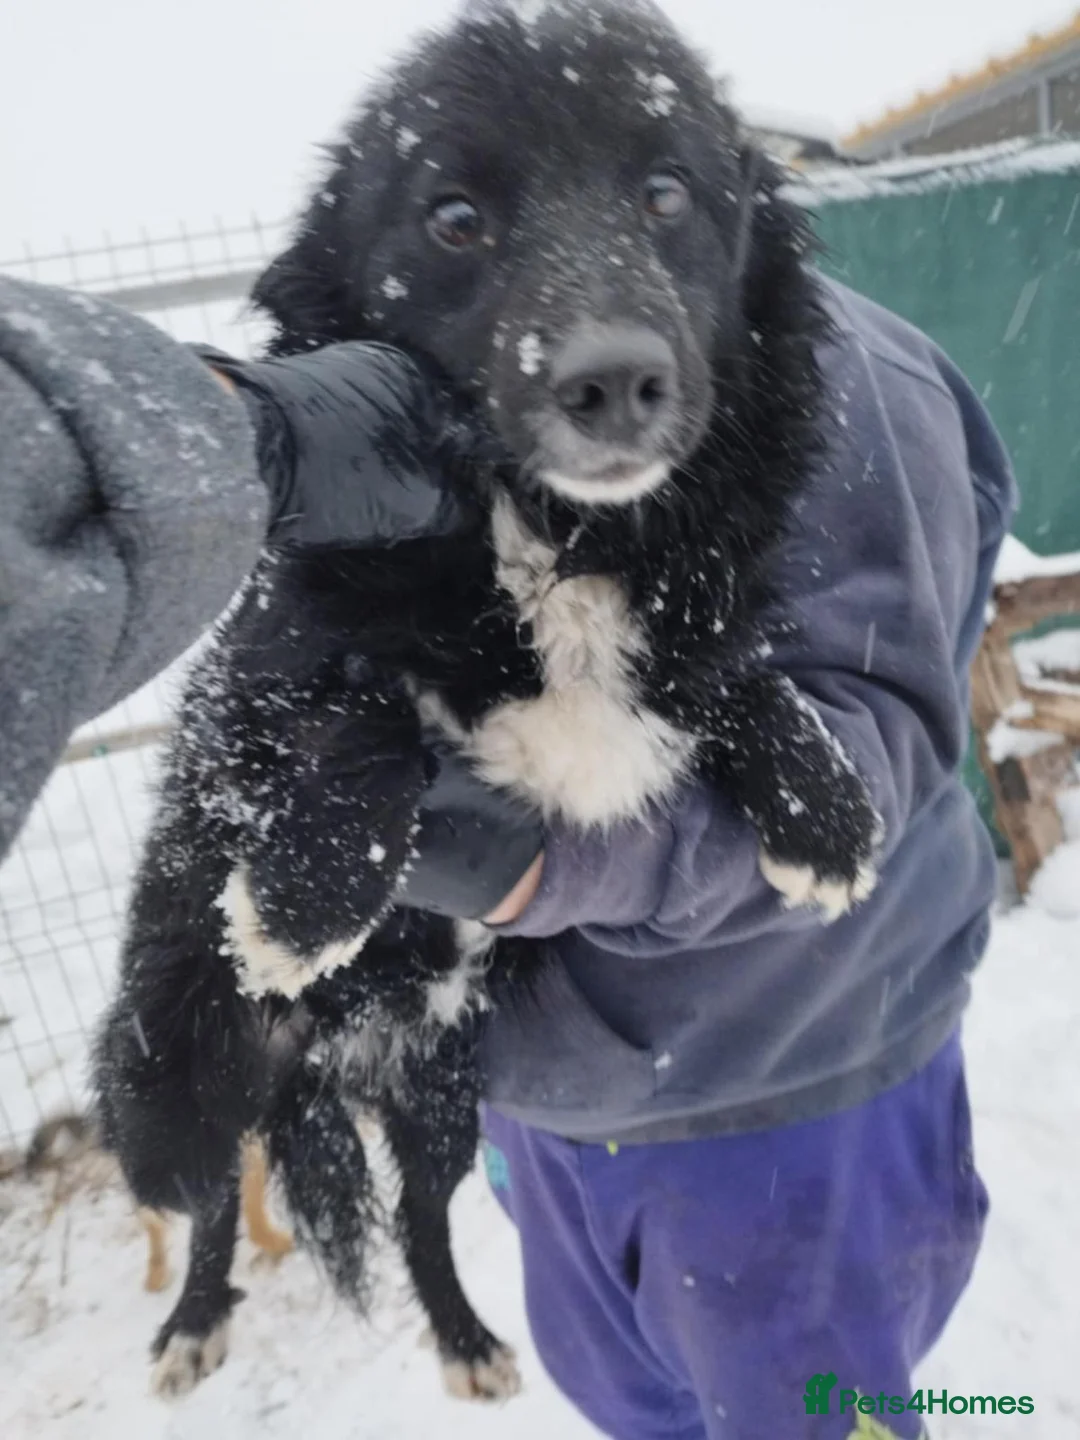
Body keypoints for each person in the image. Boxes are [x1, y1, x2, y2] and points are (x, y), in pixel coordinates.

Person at [1, 268, 1016, 1439]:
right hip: (548, 1095)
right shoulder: (449, 329)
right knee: (635, 1404)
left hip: (784, 1093)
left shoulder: (842, 374)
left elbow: (873, 743)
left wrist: (519, 859)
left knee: (823, 1413)